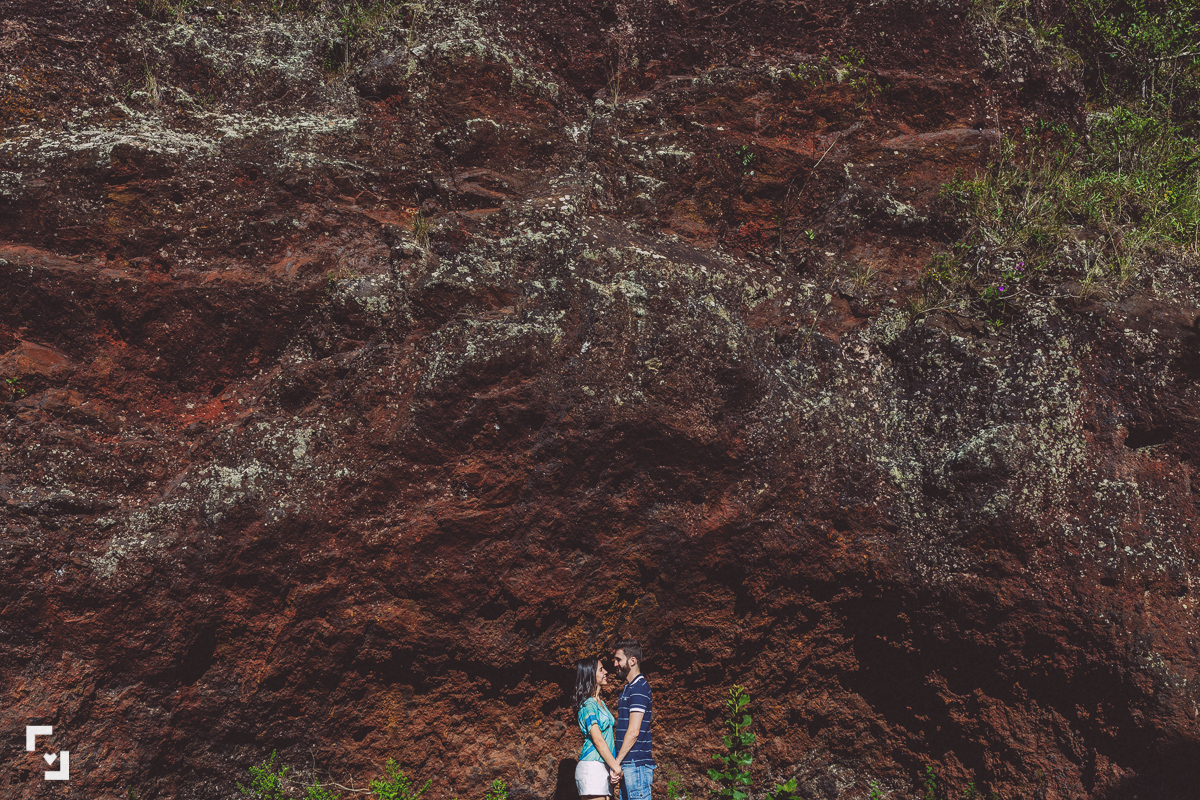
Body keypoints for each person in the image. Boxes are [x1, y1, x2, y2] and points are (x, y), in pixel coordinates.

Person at [572, 656, 623, 799]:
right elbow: (598, 740)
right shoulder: (588, 704)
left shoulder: (600, 702)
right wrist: (616, 767)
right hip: (592, 768)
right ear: (590, 675)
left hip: (602, 767)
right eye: (601, 669)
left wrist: (611, 767)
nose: (606, 672)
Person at [611, 640, 655, 800]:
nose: (615, 664)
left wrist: (617, 761)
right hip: (628, 765)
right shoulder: (628, 688)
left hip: (636, 766)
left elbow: (634, 731)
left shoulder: (639, 688)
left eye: (618, 659)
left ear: (632, 660)